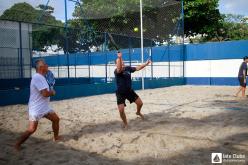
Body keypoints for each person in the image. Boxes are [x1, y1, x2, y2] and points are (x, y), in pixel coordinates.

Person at [15, 59, 61, 151]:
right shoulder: (37, 77)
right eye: (45, 64)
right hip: (36, 109)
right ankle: (17, 145)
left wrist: (50, 91)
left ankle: (56, 138)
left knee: (56, 119)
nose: (47, 65)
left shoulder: (42, 77)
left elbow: (44, 93)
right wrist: (52, 93)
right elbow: (44, 94)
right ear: (41, 67)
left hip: (44, 107)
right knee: (32, 129)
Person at [114, 51, 151, 128]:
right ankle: (126, 124)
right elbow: (119, 69)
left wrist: (146, 64)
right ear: (116, 64)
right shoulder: (117, 71)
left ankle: (138, 112)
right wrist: (119, 58)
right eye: (119, 62)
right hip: (120, 93)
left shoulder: (127, 68)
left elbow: (137, 68)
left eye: (122, 62)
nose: (122, 63)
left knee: (140, 103)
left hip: (129, 91)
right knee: (121, 111)